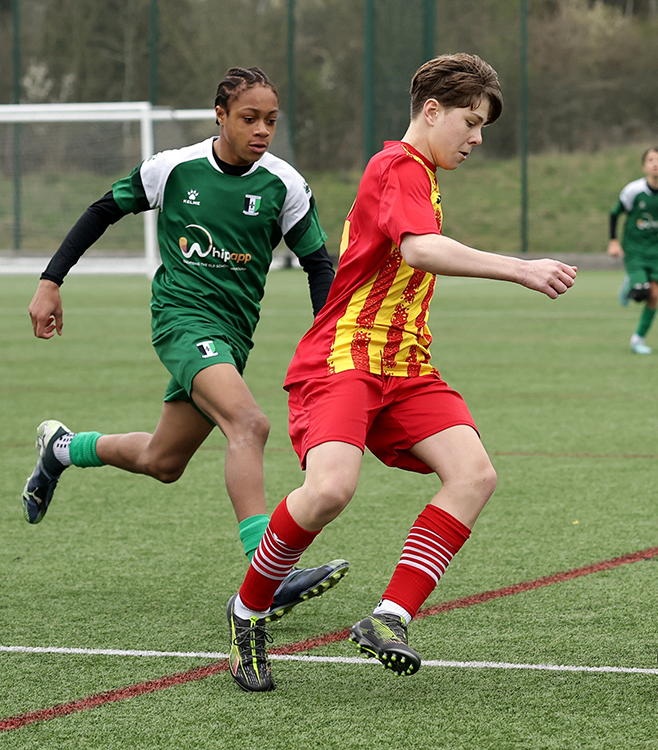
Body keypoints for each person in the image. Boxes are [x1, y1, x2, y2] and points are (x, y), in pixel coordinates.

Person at [225, 53, 577, 692]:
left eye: (483, 129)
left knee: (474, 474)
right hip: (345, 360)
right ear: (432, 111)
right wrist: (521, 267)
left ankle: (389, 618)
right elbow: (419, 249)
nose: (476, 139)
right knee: (330, 490)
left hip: (406, 365)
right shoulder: (396, 166)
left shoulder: (425, 175)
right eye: (471, 123)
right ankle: (248, 611)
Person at [22, 66, 348, 621]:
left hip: (231, 336)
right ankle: (268, 571)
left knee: (162, 460)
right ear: (219, 116)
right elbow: (104, 210)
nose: (262, 130)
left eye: (271, 120)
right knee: (249, 424)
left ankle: (61, 449)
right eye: (249, 119)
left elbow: (320, 263)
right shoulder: (174, 169)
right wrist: (51, 281)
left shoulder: (285, 185)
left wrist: (330, 339)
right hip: (181, 321)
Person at [607, 146, 658, 355]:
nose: (655, 163)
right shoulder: (633, 191)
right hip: (635, 248)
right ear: (644, 166)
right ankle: (631, 282)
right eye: (650, 160)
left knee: (655, 295)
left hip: (656, 251)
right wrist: (613, 241)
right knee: (641, 291)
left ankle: (638, 339)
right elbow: (614, 214)